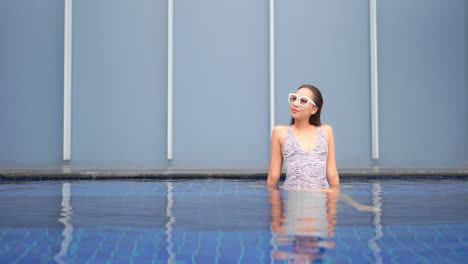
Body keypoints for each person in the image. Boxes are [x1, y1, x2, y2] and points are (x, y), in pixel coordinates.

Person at [267, 84, 339, 190]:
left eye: (303, 101)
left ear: (314, 109)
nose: (295, 104)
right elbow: (273, 176)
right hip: (293, 201)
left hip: (320, 202)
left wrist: (332, 205)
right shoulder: (280, 132)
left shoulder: (326, 131)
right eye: (294, 98)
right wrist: (275, 206)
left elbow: (332, 174)